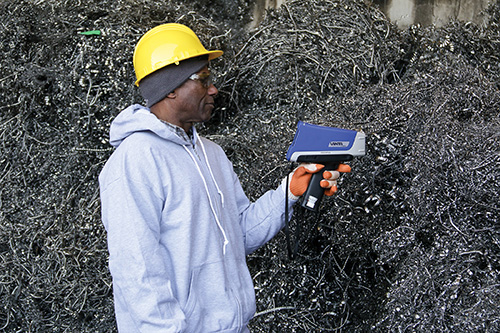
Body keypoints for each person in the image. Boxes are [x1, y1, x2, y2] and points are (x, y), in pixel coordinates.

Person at [99, 23, 350, 332]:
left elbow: (239, 233)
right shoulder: (136, 161)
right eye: (203, 78)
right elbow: (136, 271)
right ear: (171, 87)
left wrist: (290, 191)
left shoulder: (212, 154)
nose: (214, 89)